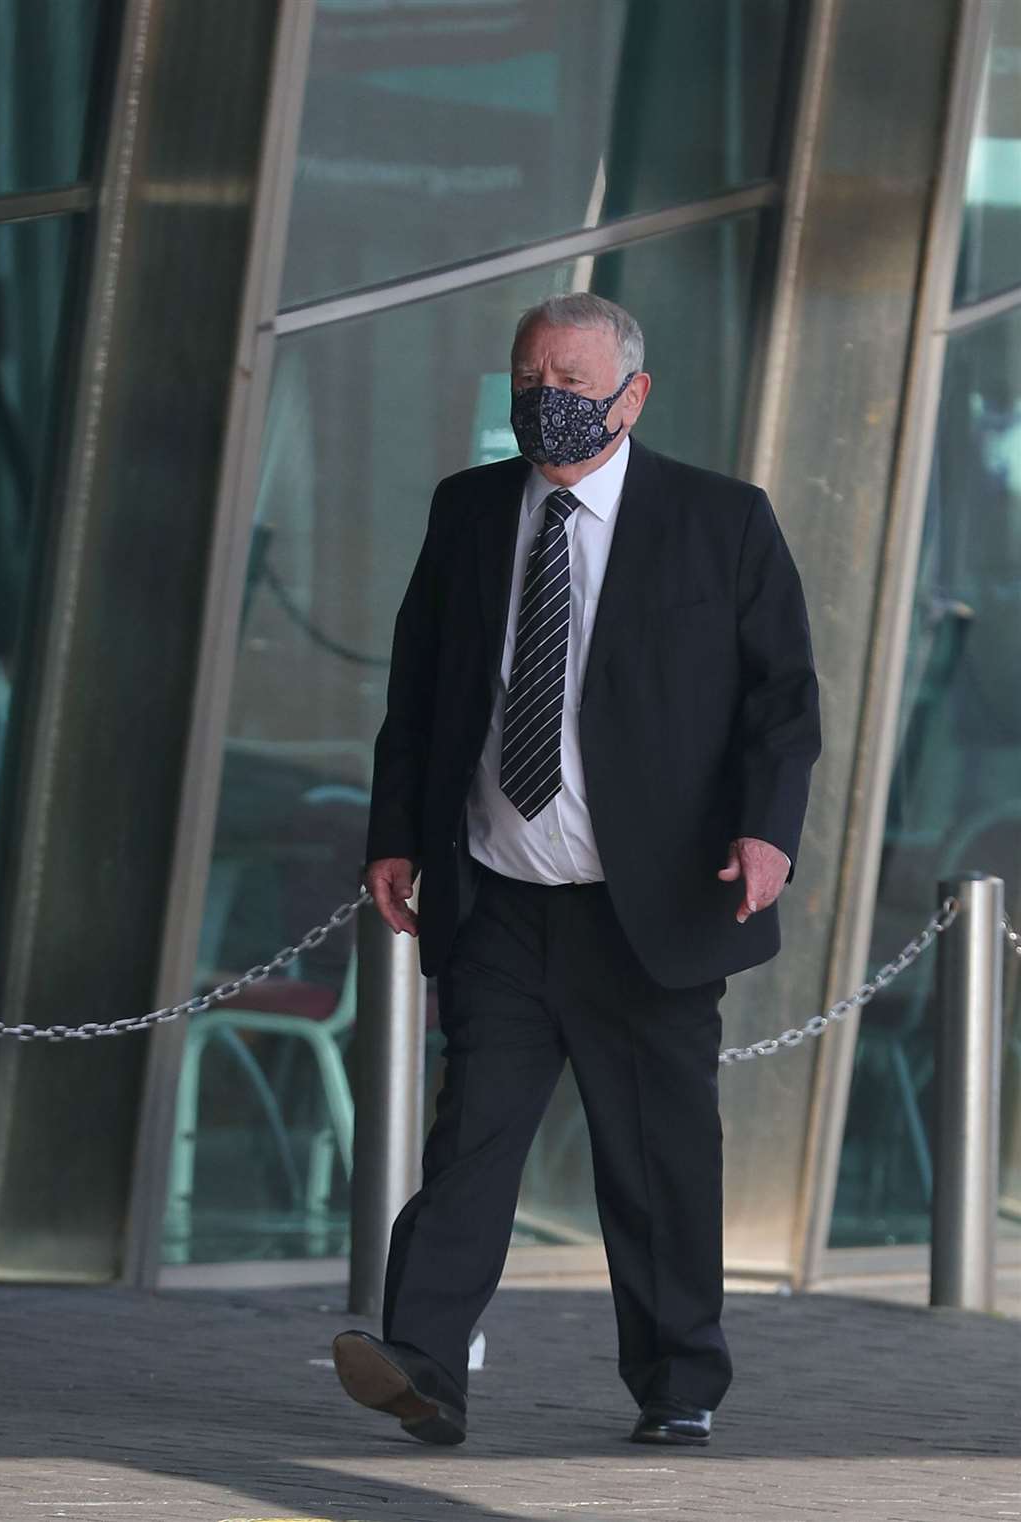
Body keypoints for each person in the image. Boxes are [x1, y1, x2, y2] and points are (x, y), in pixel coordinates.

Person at [332, 293, 821, 1447]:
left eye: (569, 380)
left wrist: (768, 829)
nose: (543, 401)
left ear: (631, 395)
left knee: (654, 1160)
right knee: (471, 1144)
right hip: (502, 893)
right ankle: (423, 1367)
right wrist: (395, 831)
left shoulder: (721, 521)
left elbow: (783, 701)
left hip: (646, 908)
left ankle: (679, 1382)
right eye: (527, 377)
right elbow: (420, 692)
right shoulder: (467, 512)